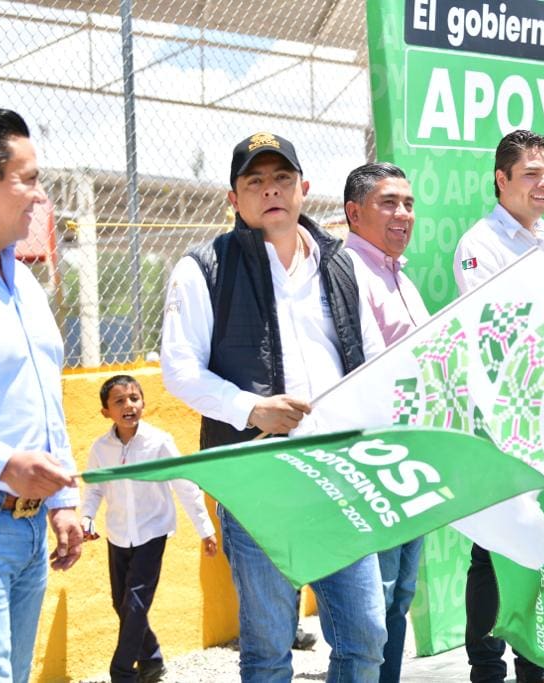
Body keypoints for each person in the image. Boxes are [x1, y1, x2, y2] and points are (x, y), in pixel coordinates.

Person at [160, 132, 387, 681]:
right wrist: (251, 408)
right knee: (268, 651)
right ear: (233, 198)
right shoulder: (204, 268)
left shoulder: (342, 263)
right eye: (255, 181)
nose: (271, 190)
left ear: (303, 187)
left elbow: (372, 357)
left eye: (282, 178)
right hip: (258, 480)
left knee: (365, 638)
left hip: (338, 476)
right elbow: (180, 369)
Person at [0, 106, 84, 681]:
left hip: (28, 533)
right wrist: (4, 464)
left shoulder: (23, 280)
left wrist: (62, 501)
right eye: (28, 180)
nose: (40, 196)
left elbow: (44, 398)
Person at [453, 129, 544, 683]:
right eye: (531, 174)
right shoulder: (481, 243)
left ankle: (534, 663)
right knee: (492, 546)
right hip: (503, 415)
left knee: (539, 541)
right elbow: (494, 329)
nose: (543, 184)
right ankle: (486, 668)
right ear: (501, 180)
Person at [342, 162, 429, 683]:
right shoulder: (349, 272)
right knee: (373, 602)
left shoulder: (400, 276)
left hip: (411, 454)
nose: (403, 214)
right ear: (354, 213)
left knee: (398, 596)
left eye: (409, 203)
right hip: (375, 459)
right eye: (389, 203)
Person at [80, 374, 218, 683]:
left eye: (134, 398)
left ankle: (121, 672)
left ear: (143, 403)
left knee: (136, 603)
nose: (128, 405)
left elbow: (184, 484)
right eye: (119, 401)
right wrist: (86, 517)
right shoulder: (100, 448)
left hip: (152, 531)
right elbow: (94, 487)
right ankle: (151, 659)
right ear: (106, 412)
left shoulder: (159, 441)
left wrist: (205, 529)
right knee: (122, 603)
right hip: (117, 533)